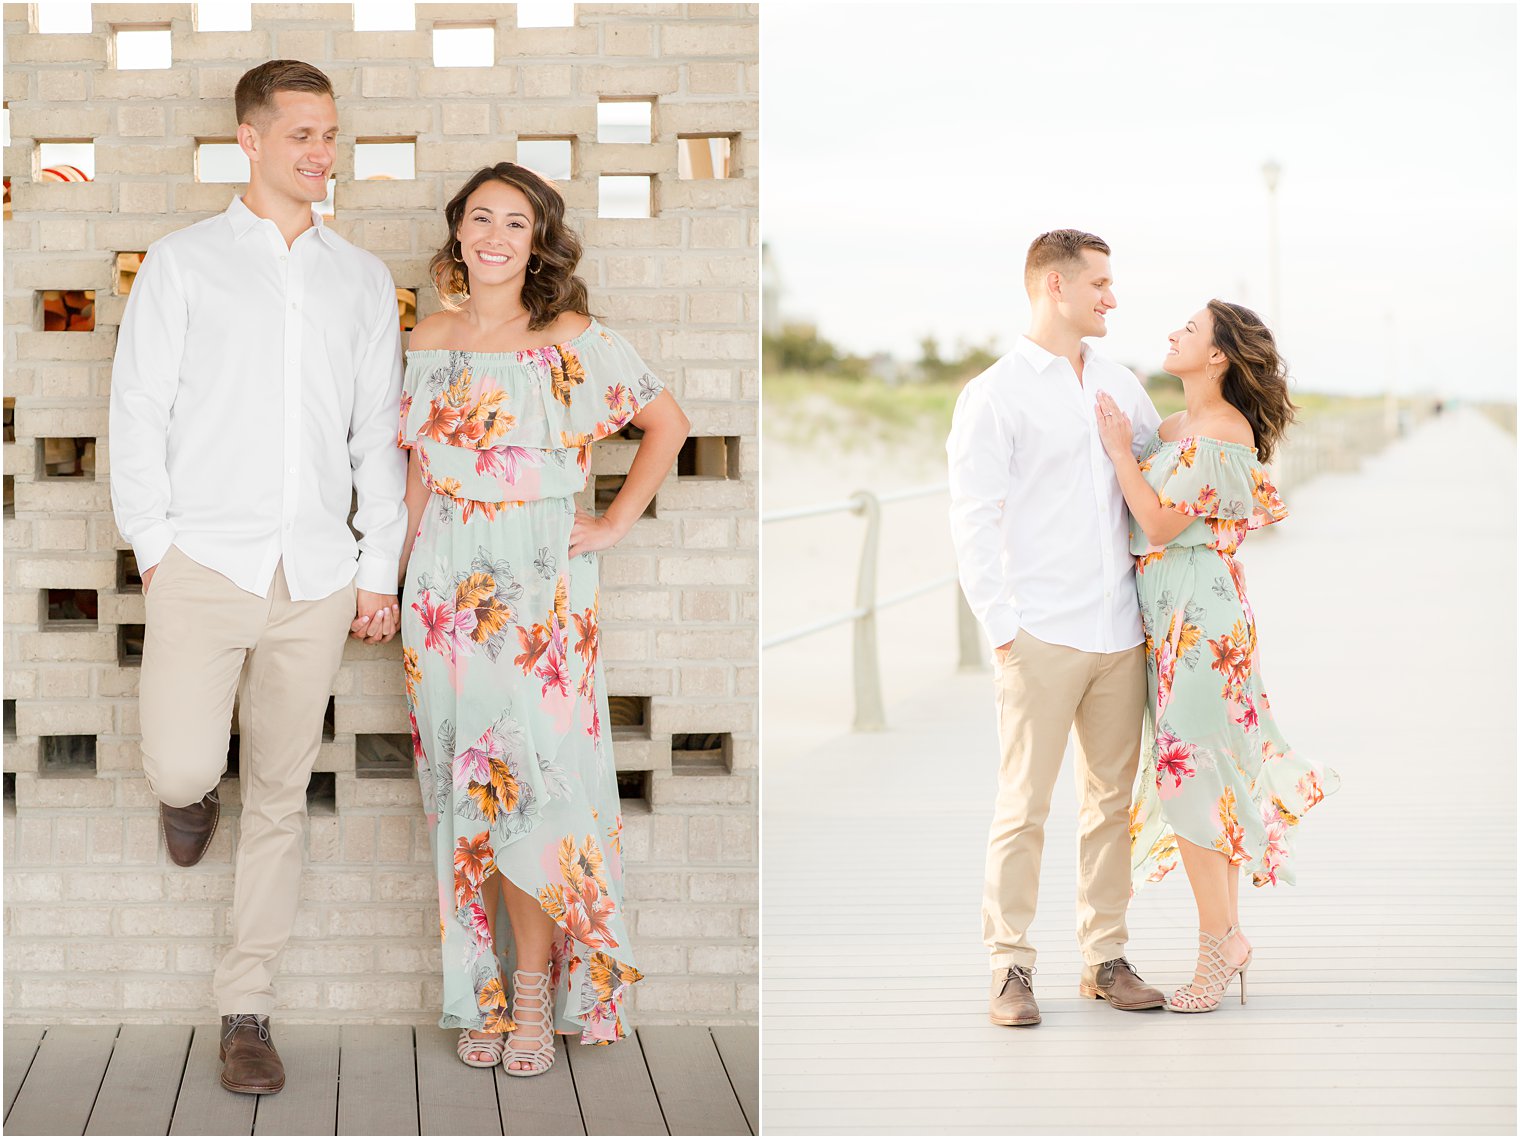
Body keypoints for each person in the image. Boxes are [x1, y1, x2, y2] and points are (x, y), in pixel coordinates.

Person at [108, 60, 406, 1094]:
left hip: (318, 574)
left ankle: (247, 1007)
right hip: (203, 561)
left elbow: (378, 437)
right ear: (249, 139)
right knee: (187, 764)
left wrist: (377, 567)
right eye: (301, 136)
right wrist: (153, 546)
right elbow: (138, 410)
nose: (321, 154)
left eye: (331, 135)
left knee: (280, 788)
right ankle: (188, 795)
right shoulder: (184, 262)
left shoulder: (361, 278)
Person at [398, 163, 690, 1073]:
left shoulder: (568, 335)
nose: (494, 235)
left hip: (539, 593)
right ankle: (480, 989)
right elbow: (417, 468)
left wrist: (609, 523)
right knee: (466, 795)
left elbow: (668, 424)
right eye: (479, 219)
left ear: (537, 242)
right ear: (457, 234)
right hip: (443, 593)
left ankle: (534, 993)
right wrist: (395, 576)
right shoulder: (430, 333)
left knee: (532, 795)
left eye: (514, 224)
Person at [948, 229, 1166, 1028]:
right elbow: (974, 515)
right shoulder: (996, 392)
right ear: (1053, 286)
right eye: (1100, 283)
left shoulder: (1121, 382)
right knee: (1024, 806)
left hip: (1121, 631)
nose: (1112, 297)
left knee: (1111, 804)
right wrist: (1002, 626)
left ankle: (1105, 955)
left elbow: (1156, 468)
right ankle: (1010, 965)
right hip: (1039, 632)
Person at [1095, 299, 1338, 1013]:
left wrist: (1117, 454)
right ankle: (1225, 936)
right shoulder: (1179, 429)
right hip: (1173, 620)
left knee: (1189, 776)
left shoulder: (1224, 432)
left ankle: (1219, 943)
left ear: (1218, 356)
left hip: (1202, 618)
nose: (1173, 333)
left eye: (1190, 330)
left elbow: (1160, 521)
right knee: (1203, 777)